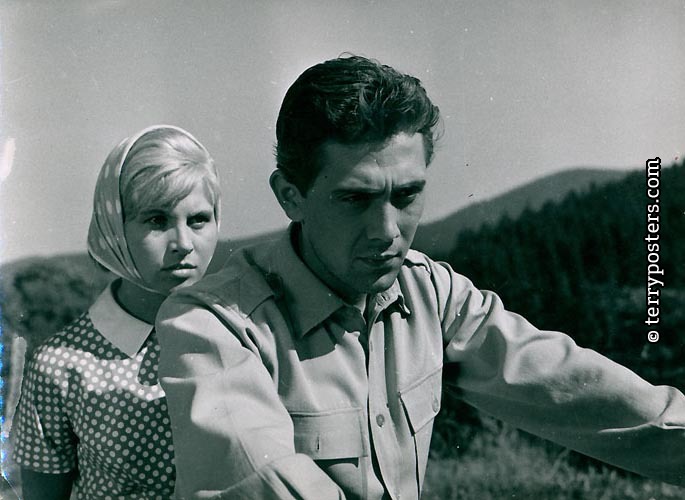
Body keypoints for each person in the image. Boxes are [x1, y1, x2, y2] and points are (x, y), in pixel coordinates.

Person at [156, 56, 685, 499]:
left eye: (407, 195)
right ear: (290, 196)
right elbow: (265, 482)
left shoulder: (430, 291)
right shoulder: (210, 324)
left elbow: (584, 392)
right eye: (355, 199)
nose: (388, 231)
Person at [12, 125, 221, 499]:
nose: (183, 243)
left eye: (198, 220)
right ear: (115, 229)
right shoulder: (61, 366)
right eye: (157, 220)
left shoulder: (244, 331)